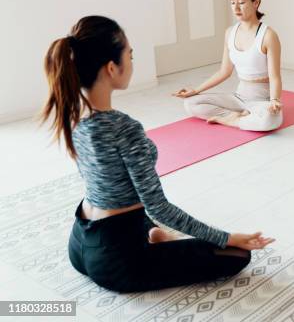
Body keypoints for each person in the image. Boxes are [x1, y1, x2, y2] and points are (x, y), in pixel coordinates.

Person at [41, 15, 274, 292]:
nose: (132, 61)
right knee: (236, 254)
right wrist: (227, 237)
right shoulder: (125, 128)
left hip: (80, 242)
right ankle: (150, 237)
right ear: (112, 68)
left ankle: (151, 233)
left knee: (142, 217)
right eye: (130, 55)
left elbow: (111, 187)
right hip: (116, 261)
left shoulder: (72, 115)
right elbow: (159, 207)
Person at [174, 0, 283, 131]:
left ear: (256, 2)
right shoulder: (229, 33)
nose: (236, 8)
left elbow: (275, 76)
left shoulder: (268, 35)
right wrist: (196, 90)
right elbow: (224, 72)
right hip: (238, 98)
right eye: (232, 3)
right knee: (190, 103)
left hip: (262, 100)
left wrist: (274, 100)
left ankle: (232, 120)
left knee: (268, 121)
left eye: (241, 2)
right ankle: (235, 116)